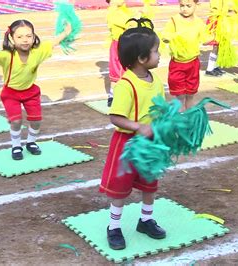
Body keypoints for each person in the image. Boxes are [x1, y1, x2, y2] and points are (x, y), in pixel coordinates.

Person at [99, 18, 166, 250]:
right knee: (120, 187)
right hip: (127, 143)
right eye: (156, 51)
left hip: (151, 143)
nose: (160, 56)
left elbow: (158, 107)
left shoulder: (155, 79)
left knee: (150, 184)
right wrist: (138, 126)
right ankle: (114, 226)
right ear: (141, 58)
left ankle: (145, 220)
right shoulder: (125, 85)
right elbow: (115, 117)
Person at [0, 20, 71, 160]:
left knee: (36, 121)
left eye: (29, 36)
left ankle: (31, 142)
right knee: (16, 121)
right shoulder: (7, 56)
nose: (25, 40)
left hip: (31, 92)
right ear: (11, 38)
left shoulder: (39, 51)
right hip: (11, 94)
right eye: (20, 37)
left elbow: (53, 42)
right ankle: (16, 146)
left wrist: (66, 32)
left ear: (34, 37)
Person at [162, 0, 211, 111]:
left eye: (188, 6)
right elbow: (165, 36)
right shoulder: (174, 20)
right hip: (177, 64)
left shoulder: (199, 22)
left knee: (190, 95)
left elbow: (205, 38)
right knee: (179, 96)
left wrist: (215, 35)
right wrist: (170, 37)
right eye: (182, 5)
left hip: (193, 63)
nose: (185, 8)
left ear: (196, 5)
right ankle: (180, 120)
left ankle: (189, 117)